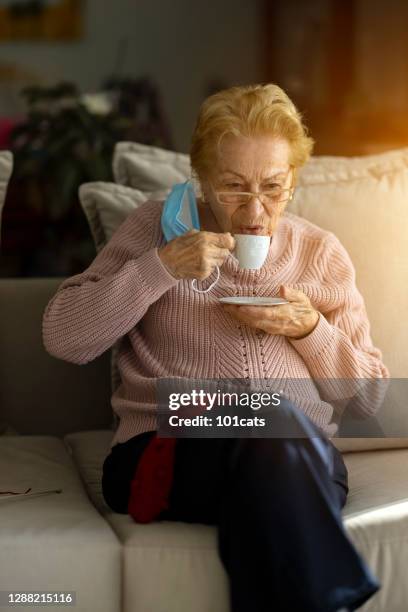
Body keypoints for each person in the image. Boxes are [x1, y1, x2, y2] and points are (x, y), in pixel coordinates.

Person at [42, 83, 390, 611]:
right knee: (269, 419)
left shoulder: (320, 253)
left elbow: (369, 400)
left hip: (300, 460)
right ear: (202, 179)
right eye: (233, 187)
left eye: (273, 187)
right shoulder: (158, 230)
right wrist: (160, 268)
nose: (255, 211)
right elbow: (64, 337)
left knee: (273, 431)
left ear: (294, 180)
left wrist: (309, 329)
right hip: (168, 449)